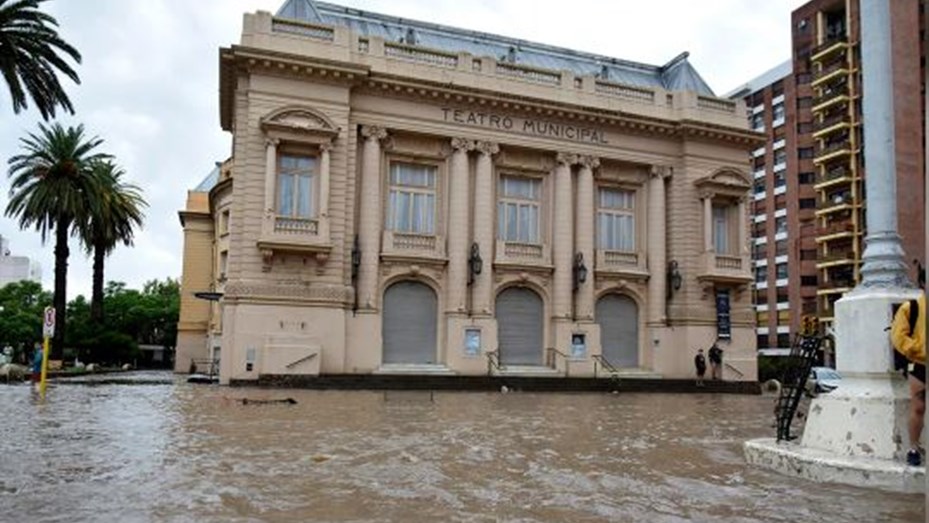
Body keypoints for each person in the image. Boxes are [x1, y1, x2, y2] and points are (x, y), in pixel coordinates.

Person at [891, 291, 925, 466]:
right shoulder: (911, 307)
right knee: (918, 407)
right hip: (920, 364)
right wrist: (919, 348)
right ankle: (913, 448)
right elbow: (898, 336)